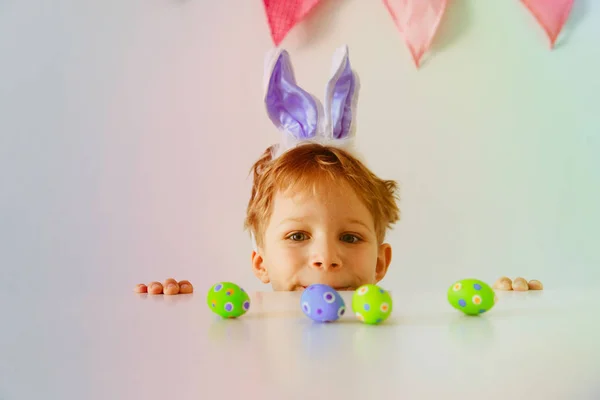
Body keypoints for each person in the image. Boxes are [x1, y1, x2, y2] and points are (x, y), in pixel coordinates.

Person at [134, 45, 400, 295]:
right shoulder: (249, 327)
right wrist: (174, 312)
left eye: (350, 238)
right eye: (297, 236)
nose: (326, 258)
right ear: (261, 262)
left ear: (379, 262)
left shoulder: (389, 335)